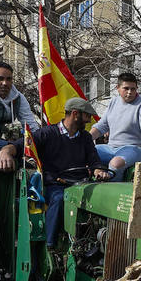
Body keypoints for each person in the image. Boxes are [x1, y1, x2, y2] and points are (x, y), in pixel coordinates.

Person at [34, 98, 111, 248]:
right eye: (87, 116)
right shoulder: (47, 134)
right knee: (60, 197)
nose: (89, 121)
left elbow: (94, 160)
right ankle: (50, 244)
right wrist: (6, 151)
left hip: (80, 184)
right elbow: (21, 145)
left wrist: (98, 170)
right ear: (75, 114)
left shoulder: (86, 138)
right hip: (55, 185)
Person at [89, 73, 141, 181]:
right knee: (85, 153)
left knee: (116, 163)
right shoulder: (113, 102)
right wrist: (84, 140)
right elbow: (102, 125)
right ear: (117, 88)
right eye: (126, 88)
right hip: (111, 148)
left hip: (134, 148)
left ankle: (112, 193)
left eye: (133, 89)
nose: (130, 92)